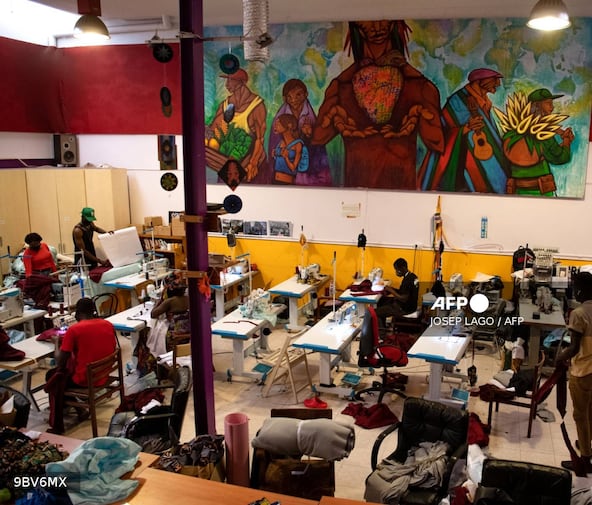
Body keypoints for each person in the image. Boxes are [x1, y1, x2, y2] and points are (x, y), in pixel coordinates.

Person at [312, 20, 444, 190]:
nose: (377, 27)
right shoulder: (341, 87)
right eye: (369, 22)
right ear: (357, 26)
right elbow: (319, 138)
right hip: (354, 196)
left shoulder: (419, 85)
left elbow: (436, 141)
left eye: (383, 20)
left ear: (393, 24)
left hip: (404, 193)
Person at [419, 68, 509, 193]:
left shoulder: (484, 101)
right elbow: (442, 134)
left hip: (487, 159)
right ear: (480, 81)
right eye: (494, 80)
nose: (498, 84)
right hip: (463, 164)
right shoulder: (457, 101)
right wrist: (466, 128)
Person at [45, 297, 118, 433]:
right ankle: (79, 410)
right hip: (104, 372)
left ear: (77, 314)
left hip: (87, 379)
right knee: (62, 375)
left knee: (53, 377)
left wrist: (56, 343)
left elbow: (60, 361)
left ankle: (76, 410)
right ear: (93, 311)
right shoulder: (107, 324)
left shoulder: (74, 330)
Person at [502, 88, 575, 196]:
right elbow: (561, 157)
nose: (552, 107)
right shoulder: (543, 135)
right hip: (541, 192)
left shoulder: (511, 134)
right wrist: (566, 141)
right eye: (548, 103)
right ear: (537, 106)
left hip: (516, 191)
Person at [207, 69, 269, 184]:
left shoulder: (256, 105)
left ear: (242, 82)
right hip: (229, 166)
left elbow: (260, 139)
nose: (227, 84)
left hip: (252, 165)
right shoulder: (225, 105)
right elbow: (214, 130)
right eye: (227, 80)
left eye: (231, 80)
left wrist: (253, 163)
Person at [557, 272, 592, 474]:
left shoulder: (579, 314)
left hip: (584, 370)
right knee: (590, 412)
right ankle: (587, 444)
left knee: (580, 414)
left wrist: (559, 358)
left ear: (581, 290)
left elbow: (574, 348)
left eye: (575, 287)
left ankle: (585, 459)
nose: (574, 291)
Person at [268, 78, 332, 186]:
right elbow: (275, 140)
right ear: (285, 98)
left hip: (305, 160)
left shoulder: (310, 116)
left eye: (298, 95)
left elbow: (317, 144)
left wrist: (308, 134)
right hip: (285, 166)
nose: (294, 99)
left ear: (305, 94)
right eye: (289, 96)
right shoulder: (281, 116)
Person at [375, 258, 419, 328]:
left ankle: (381, 332)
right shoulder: (412, 276)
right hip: (412, 306)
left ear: (403, 268)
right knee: (381, 301)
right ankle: (383, 326)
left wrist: (391, 290)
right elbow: (404, 291)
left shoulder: (407, 280)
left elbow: (403, 299)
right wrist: (391, 289)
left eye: (397, 270)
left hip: (405, 308)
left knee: (375, 312)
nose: (396, 272)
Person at [19, 232, 58, 309]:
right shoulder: (27, 253)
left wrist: (55, 272)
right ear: (29, 244)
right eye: (33, 245)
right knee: (44, 290)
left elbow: (50, 260)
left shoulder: (44, 246)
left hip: (49, 272)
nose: (37, 246)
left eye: (37, 243)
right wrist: (30, 281)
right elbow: (28, 270)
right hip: (38, 275)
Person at [271, 113, 309, 184]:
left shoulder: (298, 144)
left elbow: (293, 168)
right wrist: (274, 155)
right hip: (275, 181)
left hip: (287, 183)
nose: (275, 126)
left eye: (278, 124)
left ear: (289, 125)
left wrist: (286, 158)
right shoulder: (281, 143)